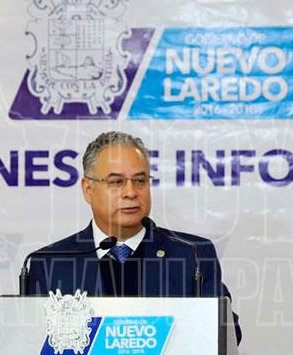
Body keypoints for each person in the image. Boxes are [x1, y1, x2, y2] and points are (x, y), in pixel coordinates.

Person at [25, 130, 241, 343]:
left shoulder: (191, 254)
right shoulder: (49, 263)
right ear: (88, 189)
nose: (130, 192)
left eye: (140, 181)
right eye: (116, 182)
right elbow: (30, 344)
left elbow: (227, 337)